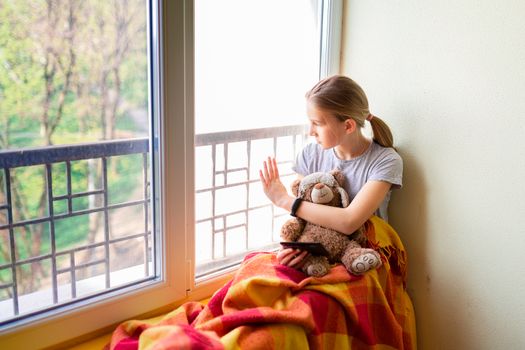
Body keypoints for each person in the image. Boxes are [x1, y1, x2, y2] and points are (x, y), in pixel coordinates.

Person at [259, 75, 402, 271]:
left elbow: (349, 222)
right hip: (319, 252)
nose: (311, 131)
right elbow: (305, 216)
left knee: (313, 301)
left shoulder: (386, 160)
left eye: (317, 123)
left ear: (348, 125)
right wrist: (294, 248)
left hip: (364, 256)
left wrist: (283, 199)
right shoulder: (310, 154)